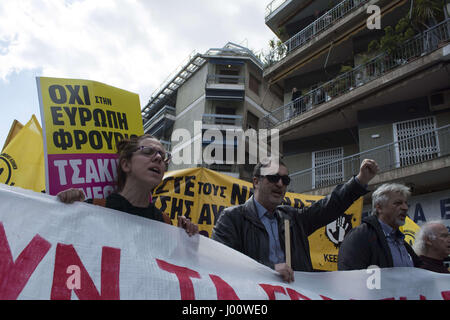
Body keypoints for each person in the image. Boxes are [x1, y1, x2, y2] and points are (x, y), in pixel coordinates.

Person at [212, 158, 378, 282]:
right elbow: (224, 264)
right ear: (256, 181)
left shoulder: (293, 218)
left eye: (285, 180)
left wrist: (360, 180)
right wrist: (271, 270)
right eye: (273, 177)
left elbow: (328, 207)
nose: (279, 184)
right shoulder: (232, 218)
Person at [57, 134, 198, 236]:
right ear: (126, 164)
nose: (159, 158)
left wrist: (184, 242)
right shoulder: (93, 208)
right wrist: (64, 209)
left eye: (163, 155)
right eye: (148, 151)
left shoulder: (166, 223)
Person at [338, 183, 422, 270]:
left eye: (405, 203)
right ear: (379, 208)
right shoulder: (360, 236)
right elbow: (349, 276)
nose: (405, 207)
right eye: (398, 203)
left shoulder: (403, 244)